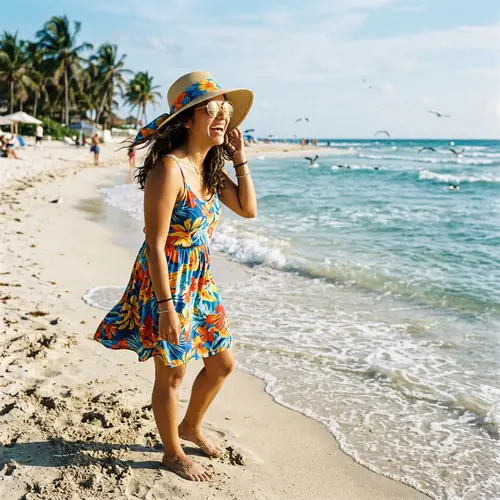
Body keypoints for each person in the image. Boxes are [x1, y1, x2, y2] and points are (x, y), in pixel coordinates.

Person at [93, 71, 255, 482]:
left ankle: (190, 426)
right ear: (187, 120)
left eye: (226, 112)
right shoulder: (170, 169)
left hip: (199, 281)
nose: (222, 118)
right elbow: (154, 243)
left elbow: (249, 209)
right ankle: (171, 452)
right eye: (211, 110)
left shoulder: (210, 171)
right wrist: (166, 308)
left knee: (222, 363)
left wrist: (239, 156)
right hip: (165, 280)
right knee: (173, 372)